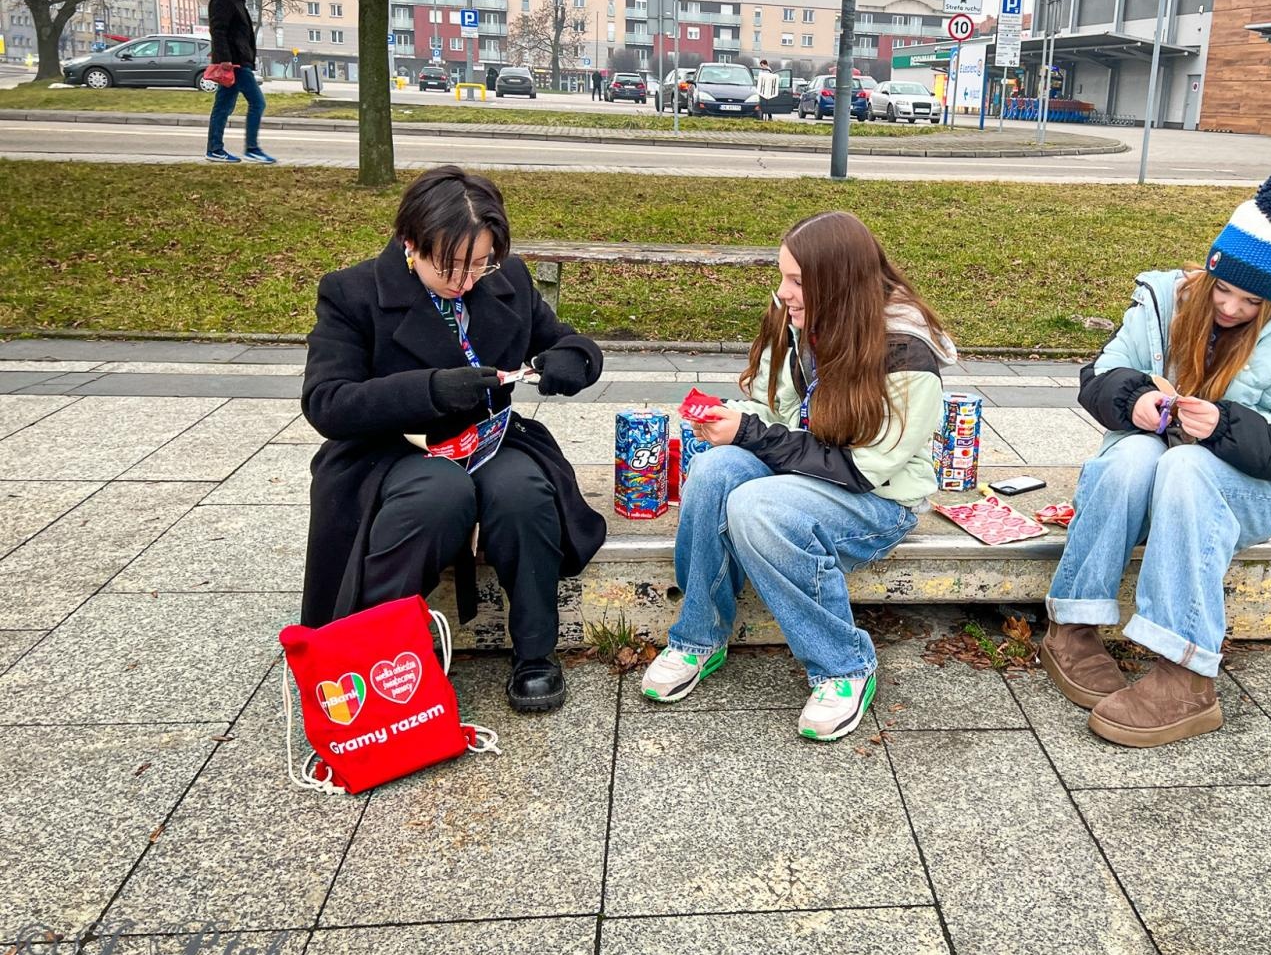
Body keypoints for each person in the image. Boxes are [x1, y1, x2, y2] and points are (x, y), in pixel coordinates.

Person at [1039, 172, 1271, 748]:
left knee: (1186, 466)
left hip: (1242, 495)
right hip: (1147, 482)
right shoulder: (1164, 301)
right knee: (1134, 455)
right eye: (1222, 289)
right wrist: (1134, 399)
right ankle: (1073, 626)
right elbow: (1100, 376)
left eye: (1251, 301)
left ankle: (1187, 675)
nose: (1231, 307)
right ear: (1210, 269)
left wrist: (1226, 427)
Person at [640, 211, 958, 741]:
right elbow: (779, 413)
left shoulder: (905, 352)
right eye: (783, 276)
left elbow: (862, 469)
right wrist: (733, 420)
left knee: (757, 507)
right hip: (804, 469)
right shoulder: (797, 316)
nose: (783, 292)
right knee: (715, 468)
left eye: (798, 281)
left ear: (840, 283)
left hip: (876, 501)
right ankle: (697, 638)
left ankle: (844, 667)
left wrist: (752, 434)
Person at [300, 166, 606, 713]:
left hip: (486, 438)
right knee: (439, 493)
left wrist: (572, 360)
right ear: (410, 242)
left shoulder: (506, 279)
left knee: (522, 492)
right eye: (449, 265)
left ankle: (536, 652)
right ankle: (376, 655)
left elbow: (565, 341)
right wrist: (431, 390)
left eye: (480, 262)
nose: (465, 279)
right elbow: (326, 401)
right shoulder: (352, 293)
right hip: (388, 449)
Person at [205, 0, 273, 164]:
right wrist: (225, 58)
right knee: (257, 103)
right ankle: (251, 149)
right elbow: (218, 30)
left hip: (236, 61)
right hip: (234, 63)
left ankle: (215, 149)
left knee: (223, 106)